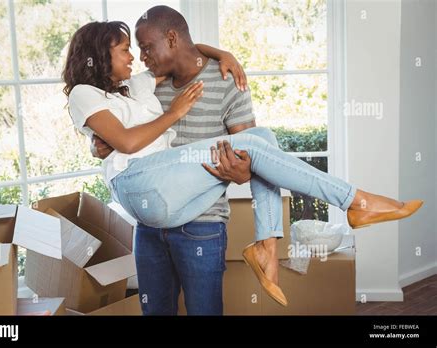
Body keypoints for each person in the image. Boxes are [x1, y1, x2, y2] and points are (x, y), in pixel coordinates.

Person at [64, 9, 423, 314]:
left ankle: (267, 243)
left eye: (143, 47)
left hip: (196, 219)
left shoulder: (181, 82)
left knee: (261, 140)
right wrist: (167, 116)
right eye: (130, 49)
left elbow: (252, 159)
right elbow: (123, 138)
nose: (139, 56)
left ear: (172, 40)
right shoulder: (109, 90)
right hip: (147, 206)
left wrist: (223, 54)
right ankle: (355, 202)